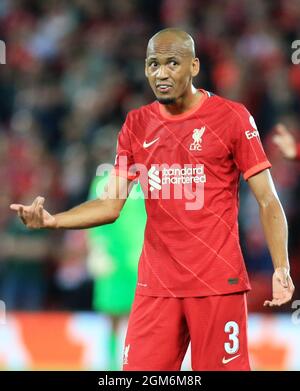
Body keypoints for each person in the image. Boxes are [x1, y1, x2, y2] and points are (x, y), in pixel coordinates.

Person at [10, 28, 295, 371]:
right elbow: (110, 204)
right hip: (156, 287)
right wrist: (54, 220)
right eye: (153, 64)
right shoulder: (136, 124)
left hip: (217, 284)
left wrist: (281, 266)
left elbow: (267, 199)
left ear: (194, 66)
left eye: (172, 63)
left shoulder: (232, 118)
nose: (161, 73)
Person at [86, 171, 146, 370]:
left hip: (142, 259)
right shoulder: (103, 181)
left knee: (142, 318)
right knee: (112, 315)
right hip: (112, 260)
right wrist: (96, 249)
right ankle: (110, 365)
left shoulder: (148, 181)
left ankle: (138, 363)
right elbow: (91, 215)